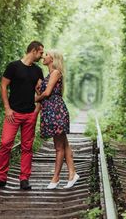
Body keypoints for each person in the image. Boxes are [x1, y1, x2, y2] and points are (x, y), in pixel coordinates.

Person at [0, 41, 44, 190]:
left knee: (27, 147)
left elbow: (40, 93)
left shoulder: (38, 71)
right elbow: (3, 85)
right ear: (34, 51)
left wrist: (37, 111)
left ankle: (24, 179)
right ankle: (1, 178)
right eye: (41, 52)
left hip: (29, 114)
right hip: (13, 113)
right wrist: (7, 108)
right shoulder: (13, 66)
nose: (42, 56)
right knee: (5, 143)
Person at [35, 50, 79, 189]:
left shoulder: (55, 73)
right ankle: (72, 173)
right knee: (64, 145)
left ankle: (56, 178)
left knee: (59, 147)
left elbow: (47, 93)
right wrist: (38, 90)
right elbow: (44, 91)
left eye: (46, 54)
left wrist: (36, 98)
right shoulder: (49, 75)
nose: (44, 56)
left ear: (53, 59)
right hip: (51, 111)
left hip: (56, 112)